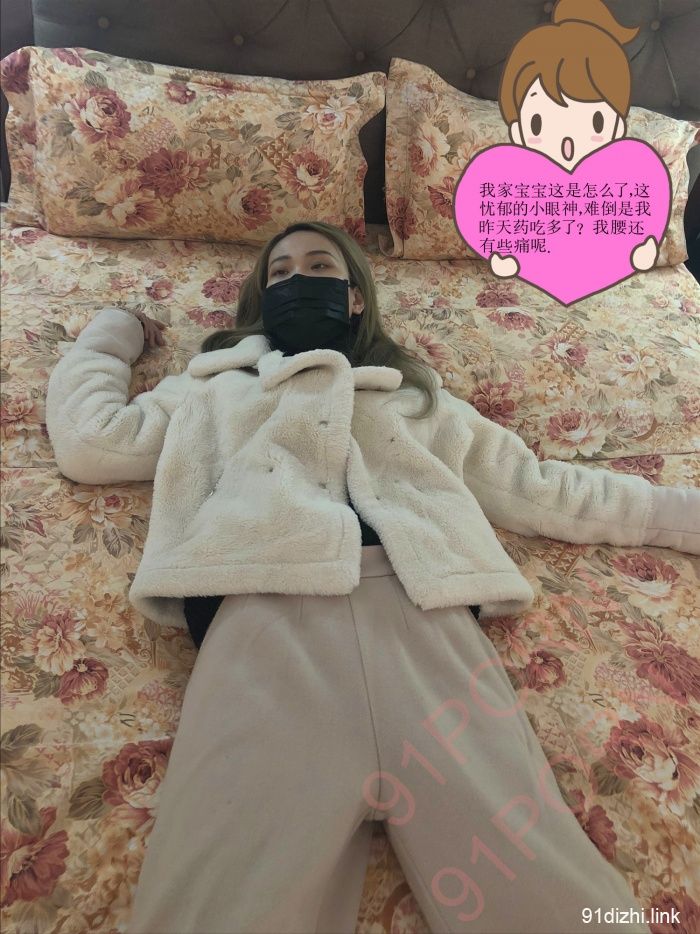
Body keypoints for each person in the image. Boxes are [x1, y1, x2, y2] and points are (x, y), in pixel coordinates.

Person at [46, 220, 698, 934]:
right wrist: (113, 335)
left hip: (426, 626)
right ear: (262, 299)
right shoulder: (213, 387)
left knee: (554, 900)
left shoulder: (413, 396)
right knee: (214, 906)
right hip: (262, 625)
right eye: (279, 272)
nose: (297, 279)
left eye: (318, 265)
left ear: (354, 296)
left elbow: (540, 486)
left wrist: (683, 517)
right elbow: (91, 441)